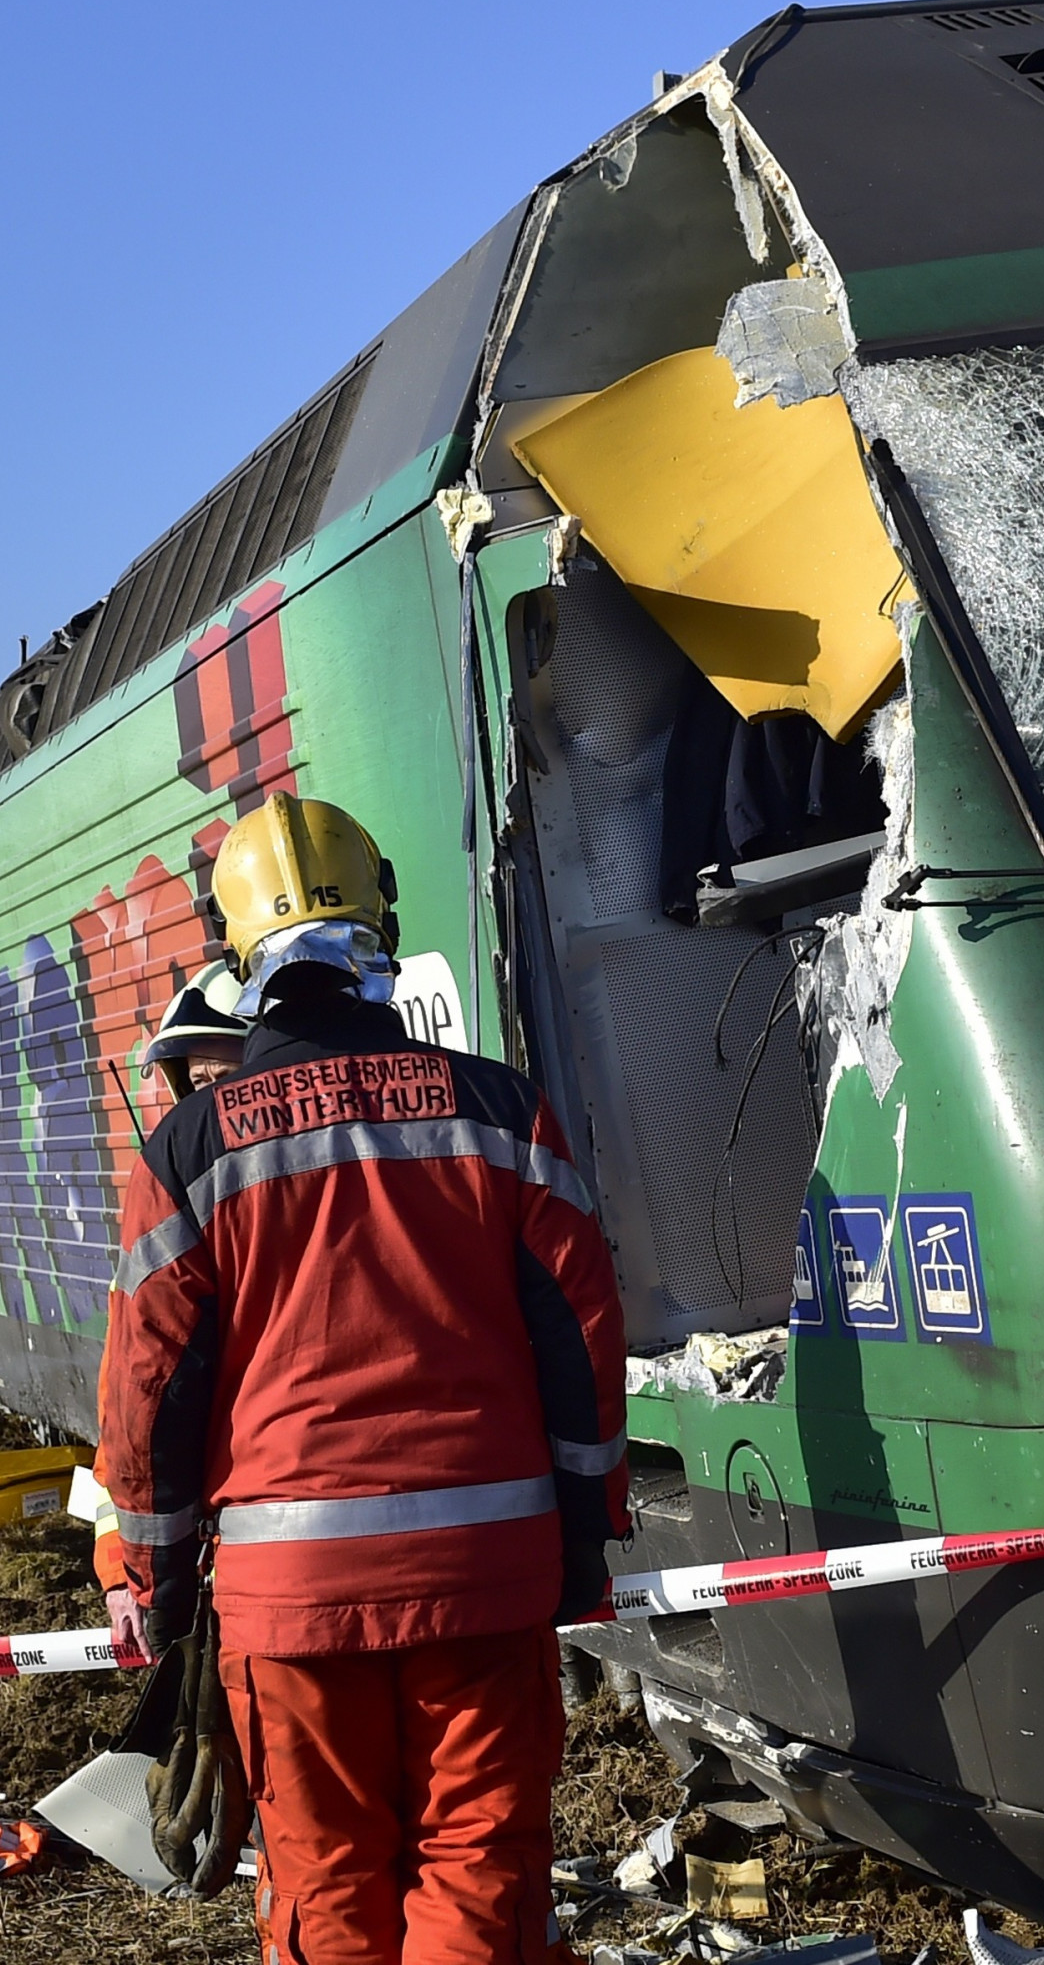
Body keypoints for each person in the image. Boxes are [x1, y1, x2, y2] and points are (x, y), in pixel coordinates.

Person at [99, 791, 629, 1965]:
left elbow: (153, 1386)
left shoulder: (188, 1151)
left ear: (233, 951)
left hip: (287, 1600)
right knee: (480, 1867)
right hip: (487, 1572)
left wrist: (152, 1574)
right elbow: (579, 1329)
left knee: (324, 1879)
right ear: (378, 925)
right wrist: (585, 1532)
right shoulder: (498, 1110)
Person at [94, 961, 253, 1655]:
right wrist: (122, 1573)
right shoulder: (170, 1218)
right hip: (231, 1575)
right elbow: (129, 1412)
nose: (206, 1111)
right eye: (195, 1087)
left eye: (223, 1084)